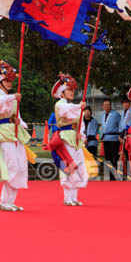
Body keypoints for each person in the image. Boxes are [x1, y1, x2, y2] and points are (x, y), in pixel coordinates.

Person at [0, 60, 31, 212]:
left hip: (15, 133)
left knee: (20, 166)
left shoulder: (12, 98)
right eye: (6, 80)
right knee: (11, 166)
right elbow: (0, 105)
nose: (10, 83)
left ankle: (11, 201)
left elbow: (17, 115)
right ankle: (4, 201)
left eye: (10, 80)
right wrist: (14, 98)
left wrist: (20, 122)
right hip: (4, 134)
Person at [48, 73, 88, 205]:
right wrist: (79, 107)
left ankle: (74, 197)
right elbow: (69, 110)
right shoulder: (61, 105)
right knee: (69, 164)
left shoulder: (75, 106)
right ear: (62, 93)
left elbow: (80, 121)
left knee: (78, 164)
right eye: (69, 90)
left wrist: (80, 133)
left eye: (72, 90)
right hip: (65, 137)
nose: (72, 92)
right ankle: (67, 197)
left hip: (75, 137)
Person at [98, 99, 123, 180]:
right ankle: (109, 174)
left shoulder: (116, 114)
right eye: (105, 105)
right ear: (103, 106)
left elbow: (120, 125)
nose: (106, 106)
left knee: (114, 156)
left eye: (108, 104)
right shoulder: (102, 115)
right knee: (107, 157)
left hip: (114, 138)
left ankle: (116, 174)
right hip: (105, 139)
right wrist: (102, 136)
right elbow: (102, 128)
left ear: (110, 105)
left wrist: (120, 135)